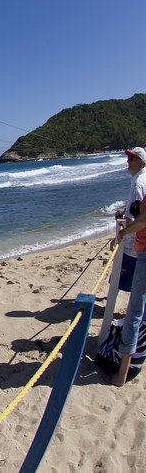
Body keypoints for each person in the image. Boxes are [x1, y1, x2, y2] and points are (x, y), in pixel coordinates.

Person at [110, 147, 146, 386]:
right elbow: (138, 209)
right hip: (140, 247)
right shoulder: (141, 180)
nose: (128, 161)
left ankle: (122, 373)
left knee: (134, 310)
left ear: (141, 161)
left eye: (132, 158)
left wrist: (122, 234)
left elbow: (141, 218)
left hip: (140, 249)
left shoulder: (140, 182)